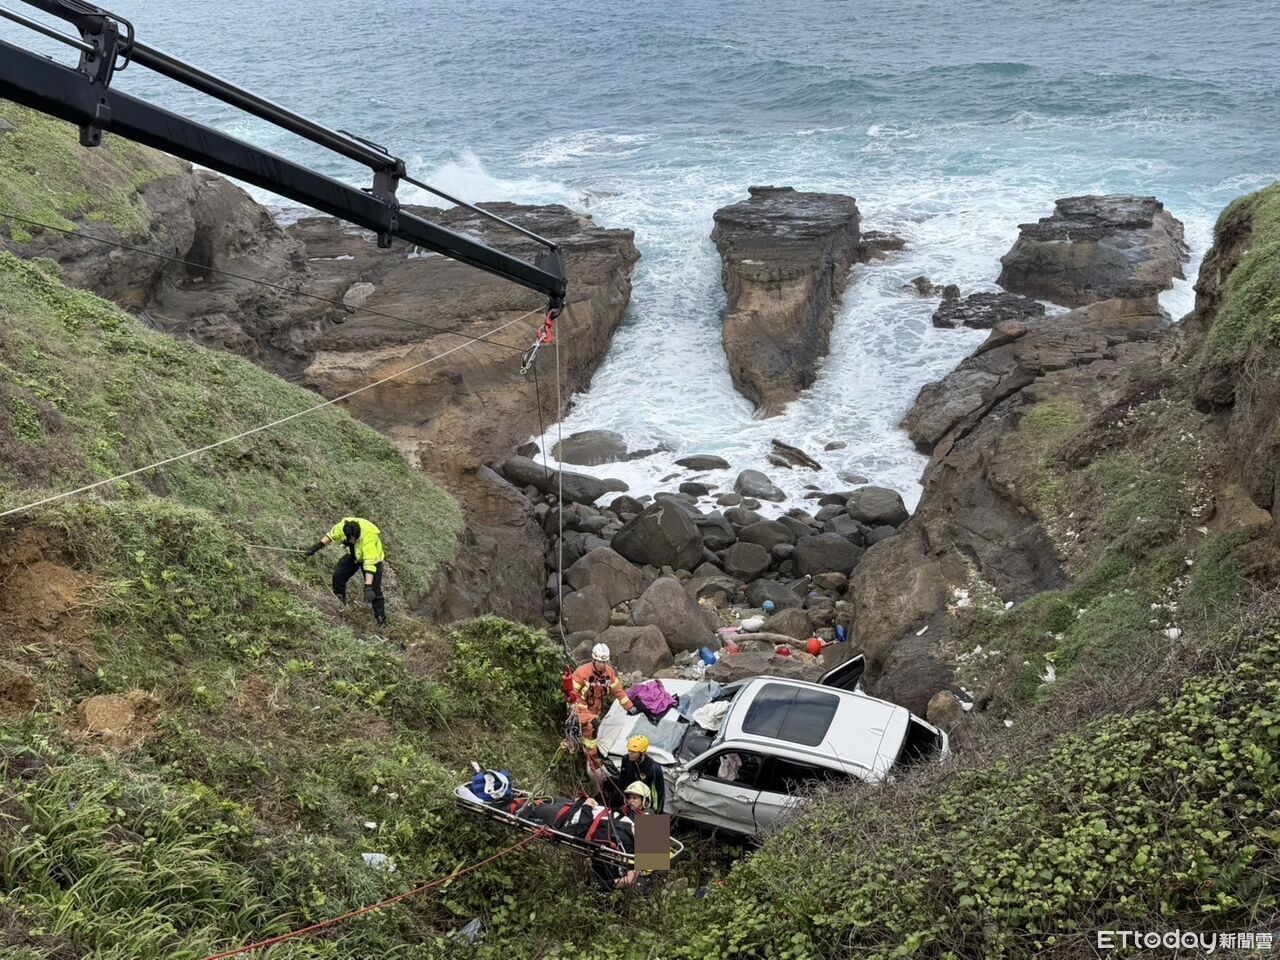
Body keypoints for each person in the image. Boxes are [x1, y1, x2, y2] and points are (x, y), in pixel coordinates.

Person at [304, 517, 387, 628]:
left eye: (355, 539)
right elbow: (331, 536)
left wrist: (368, 586)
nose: (353, 541)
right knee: (338, 575)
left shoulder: (369, 537)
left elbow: (369, 563)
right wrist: (316, 547)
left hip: (373, 559)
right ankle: (340, 603)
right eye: (351, 539)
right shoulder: (342, 527)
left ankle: (381, 621)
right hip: (354, 554)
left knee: (374, 590)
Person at [569, 643, 637, 768]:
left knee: (592, 728)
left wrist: (629, 706)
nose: (601, 665)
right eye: (599, 661)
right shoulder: (582, 672)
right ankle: (592, 756)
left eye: (604, 662)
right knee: (592, 726)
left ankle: (584, 744)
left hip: (596, 706)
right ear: (594, 659)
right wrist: (574, 706)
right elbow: (572, 692)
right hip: (581, 705)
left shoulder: (609, 673)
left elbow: (618, 690)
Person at [605, 735, 665, 813]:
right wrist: (613, 806)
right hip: (629, 800)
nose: (630, 753)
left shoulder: (654, 768)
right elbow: (621, 781)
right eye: (629, 750)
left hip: (645, 803)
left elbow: (660, 794)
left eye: (633, 752)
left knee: (648, 823)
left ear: (642, 753)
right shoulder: (626, 759)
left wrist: (657, 814)